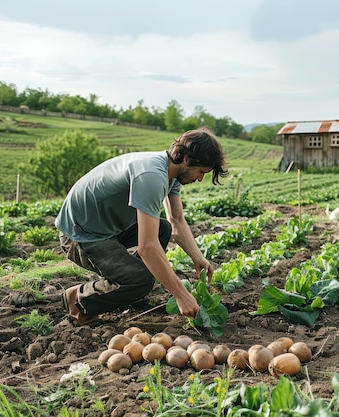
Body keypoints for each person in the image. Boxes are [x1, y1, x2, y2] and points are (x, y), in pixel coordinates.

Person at [55, 127, 228, 325]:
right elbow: (147, 248)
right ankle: (78, 299)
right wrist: (181, 295)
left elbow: (177, 221)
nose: (199, 178)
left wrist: (199, 258)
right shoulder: (151, 176)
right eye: (201, 171)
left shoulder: (170, 173)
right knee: (143, 279)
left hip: (106, 226)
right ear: (187, 160)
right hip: (80, 234)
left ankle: (129, 288)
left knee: (163, 230)